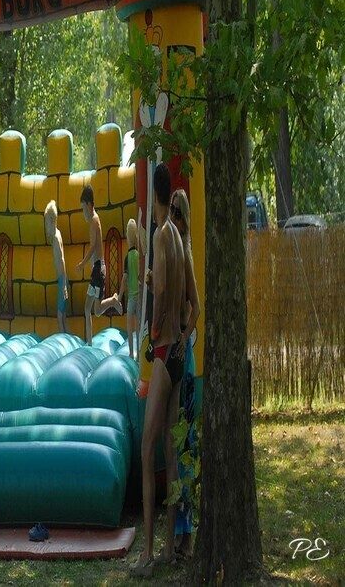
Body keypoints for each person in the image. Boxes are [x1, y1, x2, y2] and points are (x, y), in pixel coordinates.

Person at [130, 163, 186, 579]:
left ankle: (148, 554)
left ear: (156, 198)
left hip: (165, 352)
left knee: (147, 450)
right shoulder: (180, 238)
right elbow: (188, 296)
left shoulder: (163, 235)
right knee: (169, 449)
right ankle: (171, 547)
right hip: (179, 353)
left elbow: (164, 289)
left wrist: (155, 331)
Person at [170, 189, 200, 558]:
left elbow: (197, 309)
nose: (174, 216)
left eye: (179, 211)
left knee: (186, 449)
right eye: (171, 209)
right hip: (171, 361)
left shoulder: (186, 254)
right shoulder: (169, 250)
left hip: (185, 363)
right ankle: (177, 533)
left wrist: (182, 337)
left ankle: (187, 535)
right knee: (175, 449)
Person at [76, 185, 122, 345]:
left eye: (83, 208)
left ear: (89, 205)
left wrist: (82, 263)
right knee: (87, 308)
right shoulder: (94, 220)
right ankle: (89, 342)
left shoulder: (94, 220)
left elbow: (94, 246)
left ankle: (113, 301)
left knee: (95, 310)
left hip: (98, 271)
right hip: (96, 270)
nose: (83, 213)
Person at [44, 201, 69, 333]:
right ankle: (68, 340)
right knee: (63, 315)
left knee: (59, 316)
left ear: (52, 221)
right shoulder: (57, 233)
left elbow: (62, 260)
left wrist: (64, 284)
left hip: (62, 279)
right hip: (63, 278)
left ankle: (63, 340)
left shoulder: (55, 238)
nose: (45, 225)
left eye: (46, 222)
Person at [118, 218, 140, 359]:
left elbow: (125, 278)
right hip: (140, 295)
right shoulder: (139, 256)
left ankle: (132, 352)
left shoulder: (128, 257)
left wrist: (119, 296)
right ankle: (138, 352)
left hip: (131, 296)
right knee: (138, 327)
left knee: (129, 325)